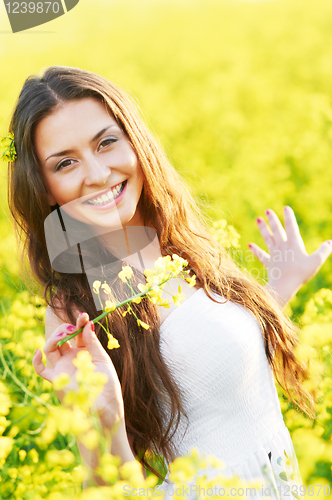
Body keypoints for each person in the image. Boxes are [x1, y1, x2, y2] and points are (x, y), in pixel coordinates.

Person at [7, 66, 332, 498]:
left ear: (135, 142)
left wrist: (276, 291)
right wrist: (102, 418)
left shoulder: (180, 244)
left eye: (107, 143)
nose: (99, 173)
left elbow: (215, 363)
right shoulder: (77, 310)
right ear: (45, 187)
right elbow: (112, 487)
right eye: (65, 163)